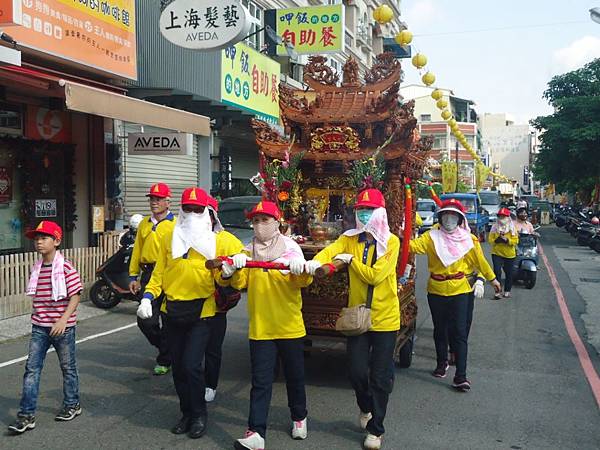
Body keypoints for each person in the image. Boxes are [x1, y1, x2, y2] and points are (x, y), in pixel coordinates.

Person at [306, 188, 400, 450]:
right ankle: (366, 406)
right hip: (357, 316)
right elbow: (331, 251)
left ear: (380, 213)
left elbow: (375, 276)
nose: (365, 214)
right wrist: (315, 263)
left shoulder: (391, 242)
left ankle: (376, 429)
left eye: (369, 210)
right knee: (356, 371)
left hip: (385, 318)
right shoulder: (350, 239)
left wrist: (351, 262)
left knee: (380, 376)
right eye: (360, 210)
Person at [140, 187, 236, 439]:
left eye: (197, 209)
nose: (192, 213)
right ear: (181, 209)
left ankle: (199, 414)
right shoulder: (170, 235)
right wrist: (148, 297)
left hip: (202, 312)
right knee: (180, 368)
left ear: (207, 211)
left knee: (192, 366)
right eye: (188, 208)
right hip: (171, 310)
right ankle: (186, 412)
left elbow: (242, 260)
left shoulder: (218, 240)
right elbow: (159, 272)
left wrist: (229, 272)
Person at [220, 200, 310, 450]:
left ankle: (299, 416)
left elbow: (303, 282)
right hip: (261, 327)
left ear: (277, 222)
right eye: (256, 220)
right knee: (260, 381)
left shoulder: (291, 248)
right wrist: (230, 270)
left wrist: (299, 269)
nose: (260, 225)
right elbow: (239, 283)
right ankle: (256, 432)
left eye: (265, 220)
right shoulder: (248, 251)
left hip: (290, 325)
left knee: (295, 377)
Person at [408, 199, 500, 392]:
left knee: (459, 332)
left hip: (460, 289)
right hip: (436, 289)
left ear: (460, 219)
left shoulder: (469, 239)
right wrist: (397, 235)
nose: (449, 219)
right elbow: (412, 246)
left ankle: (461, 376)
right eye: (446, 215)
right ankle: (441, 363)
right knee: (440, 330)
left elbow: (480, 261)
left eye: (453, 215)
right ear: (440, 217)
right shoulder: (431, 237)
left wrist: (492, 280)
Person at [8, 221, 83, 435]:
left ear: (57, 241)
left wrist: (62, 320)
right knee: (32, 369)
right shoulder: (36, 268)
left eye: (44, 238)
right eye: (36, 238)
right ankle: (26, 415)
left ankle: (72, 404)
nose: (39, 242)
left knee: (68, 368)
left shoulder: (66, 267)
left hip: (63, 328)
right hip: (39, 327)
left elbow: (76, 295)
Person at [129, 183, 176, 376]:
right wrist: (134, 276)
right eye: (152, 199)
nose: (154, 202)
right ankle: (168, 350)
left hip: (169, 273)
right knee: (145, 320)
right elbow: (137, 250)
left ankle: (165, 359)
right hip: (149, 274)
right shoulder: (144, 223)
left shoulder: (176, 224)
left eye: (158, 199)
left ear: (168, 201)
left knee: (169, 318)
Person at [204, 195, 244, 403]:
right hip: (187, 302)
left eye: (205, 213)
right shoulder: (181, 238)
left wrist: (232, 270)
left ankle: (210, 384)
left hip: (215, 304)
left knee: (212, 347)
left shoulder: (227, 240)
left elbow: (243, 271)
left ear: (213, 216)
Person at [489, 207, 519, 299]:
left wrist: (507, 240)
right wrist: (497, 240)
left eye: (504, 216)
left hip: (509, 254)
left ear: (508, 217)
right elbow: (490, 240)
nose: (502, 218)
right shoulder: (494, 227)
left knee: (509, 273)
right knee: (497, 272)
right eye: (500, 216)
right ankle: (497, 292)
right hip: (497, 253)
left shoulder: (512, 228)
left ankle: (507, 291)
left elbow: (516, 241)